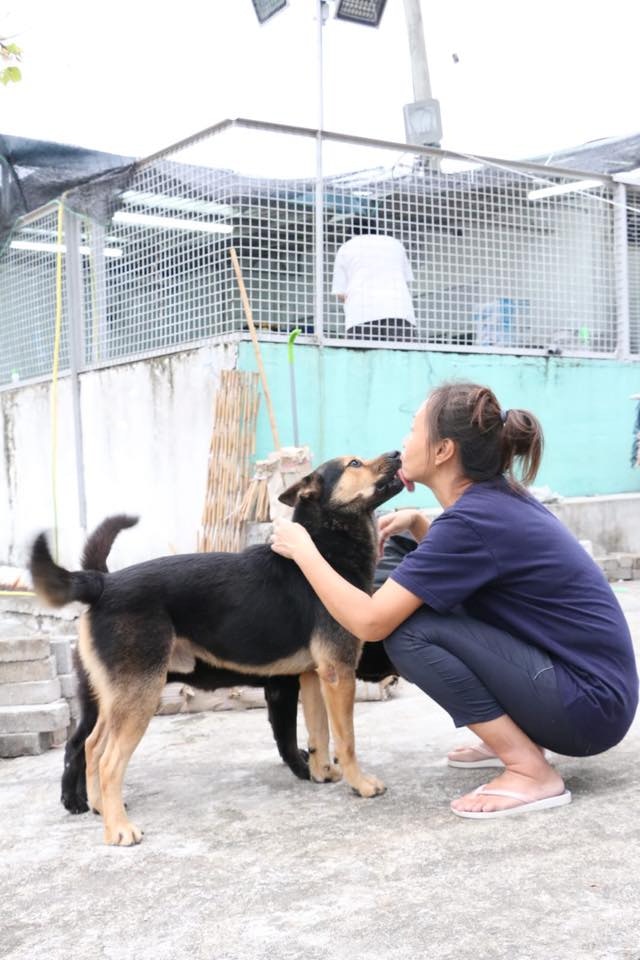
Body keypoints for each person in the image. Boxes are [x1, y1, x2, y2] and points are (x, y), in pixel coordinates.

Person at [269, 381, 639, 820]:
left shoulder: (471, 523)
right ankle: (515, 736)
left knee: (408, 634)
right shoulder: (492, 502)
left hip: (586, 708)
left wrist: (304, 548)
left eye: (412, 429)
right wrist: (423, 525)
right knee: (423, 594)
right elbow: (480, 582)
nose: (402, 442)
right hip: (593, 694)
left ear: (443, 450)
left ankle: (528, 768)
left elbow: (370, 624)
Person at [332, 228, 416, 341]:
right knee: (404, 354)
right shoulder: (396, 244)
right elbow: (406, 279)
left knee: (362, 356)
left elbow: (341, 293)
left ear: (351, 233)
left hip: (361, 314)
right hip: (398, 311)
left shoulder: (346, 247)